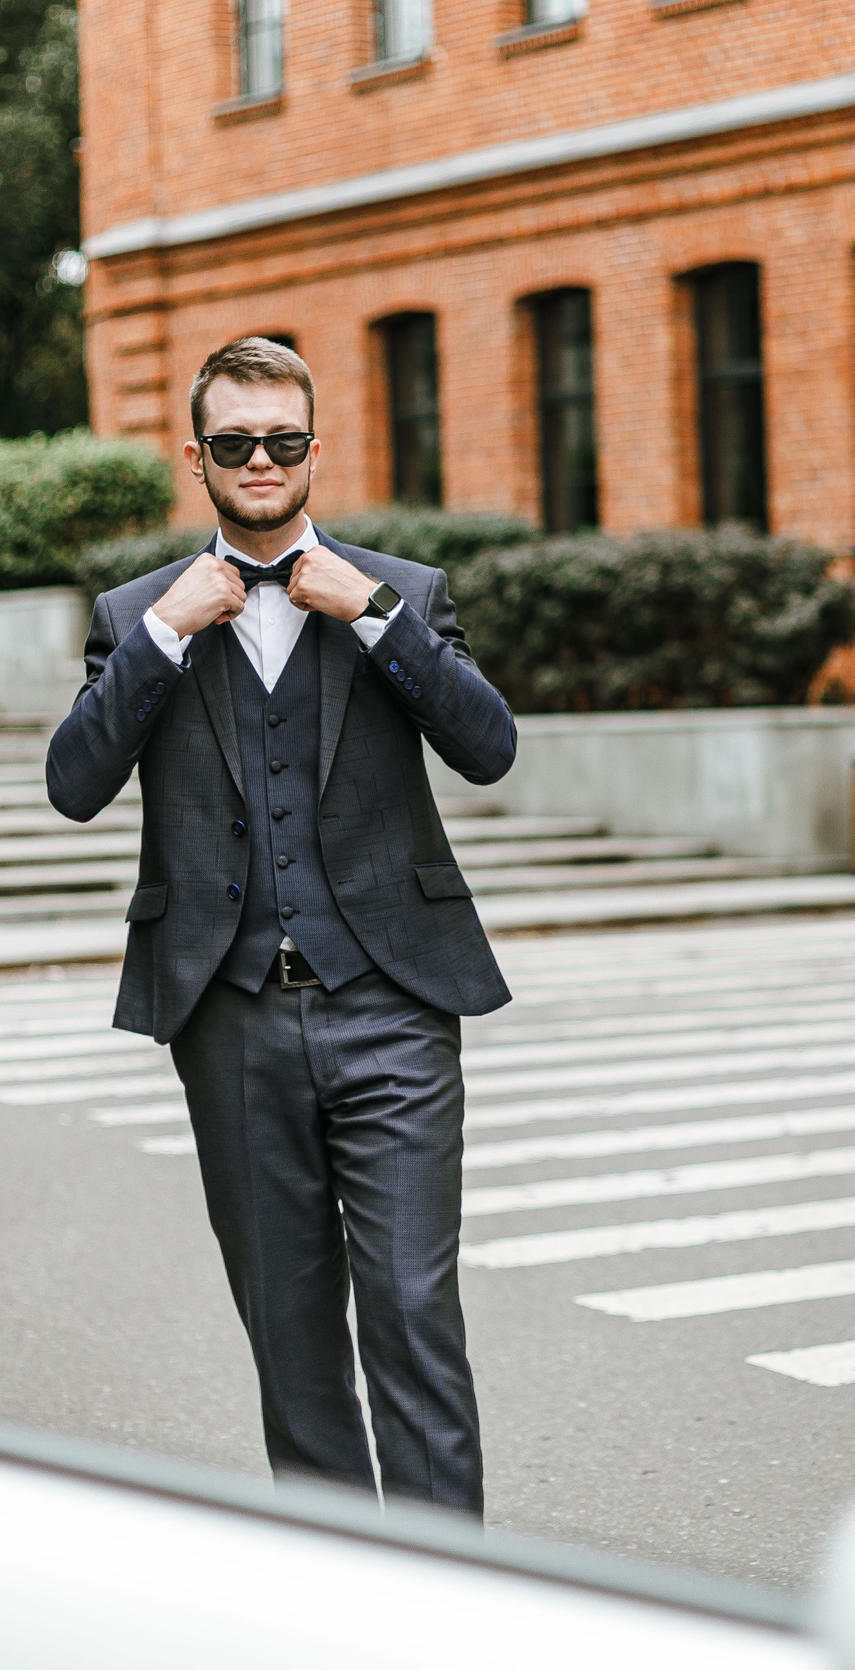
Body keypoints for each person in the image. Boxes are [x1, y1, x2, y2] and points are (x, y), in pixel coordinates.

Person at [46, 336, 514, 1514]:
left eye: (285, 439)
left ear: (316, 449)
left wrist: (374, 616)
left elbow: (489, 747)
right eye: (237, 442)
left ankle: (456, 1601)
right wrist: (164, 633)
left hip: (394, 1004)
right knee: (292, 1338)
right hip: (231, 1016)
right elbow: (72, 780)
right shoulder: (135, 612)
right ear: (197, 456)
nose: (263, 459)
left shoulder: (397, 587)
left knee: (412, 1310)